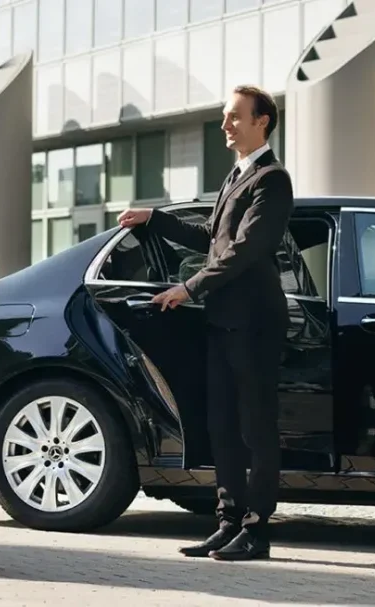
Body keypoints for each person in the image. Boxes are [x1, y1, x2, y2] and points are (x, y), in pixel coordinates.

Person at [117, 85, 293, 561]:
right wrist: (155, 218)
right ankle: (228, 522)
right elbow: (213, 240)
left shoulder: (272, 179)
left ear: (262, 121)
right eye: (224, 116)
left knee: (256, 429)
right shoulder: (235, 176)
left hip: (254, 324)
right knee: (222, 428)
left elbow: (245, 250)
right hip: (222, 322)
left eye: (234, 116)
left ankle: (256, 532)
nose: (225, 125)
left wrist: (189, 288)